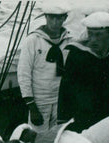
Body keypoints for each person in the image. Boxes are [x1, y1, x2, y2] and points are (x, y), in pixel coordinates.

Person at [58, 12, 109, 132]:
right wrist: (63, 123)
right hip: (82, 121)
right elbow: (65, 91)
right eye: (91, 34)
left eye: (99, 35)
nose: (93, 40)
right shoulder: (77, 55)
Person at [17, 1, 71, 132]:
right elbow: (24, 74)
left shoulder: (70, 40)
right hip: (39, 101)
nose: (54, 22)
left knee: (59, 137)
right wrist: (32, 107)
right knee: (37, 140)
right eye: (51, 17)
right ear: (45, 17)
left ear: (65, 18)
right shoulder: (33, 41)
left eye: (59, 18)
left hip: (61, 101)